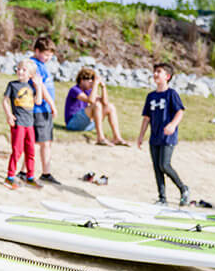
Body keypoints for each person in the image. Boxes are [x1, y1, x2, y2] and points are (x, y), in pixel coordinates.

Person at [137, 62, 189, 206]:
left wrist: (172, 125)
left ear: (167, 76)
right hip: (154, 137)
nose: (155, 74)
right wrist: (141, 136)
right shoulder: (151, 96)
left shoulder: (171, 94)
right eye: (154, 71)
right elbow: (146, 118)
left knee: (164, 165)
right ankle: (162, 198)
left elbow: (180, 111)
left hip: (168, 137)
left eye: (158, 72)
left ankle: (183, 188)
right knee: (156, 168)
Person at [2, 58, 43, 190]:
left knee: (30, 151)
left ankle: (29, 177)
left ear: (30, 74)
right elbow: (5, 101)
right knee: (17, 150)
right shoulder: (12, 85)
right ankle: (10, 177)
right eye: (18, 68)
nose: (20, 71)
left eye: (24, 70)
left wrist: (39, 86)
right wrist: (9, 114)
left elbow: (38, 102)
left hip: (29, 123)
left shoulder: (32, 86)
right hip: (18, 122)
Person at [64, 67, 127, 146]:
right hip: (73, 123)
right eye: (90, 82)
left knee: (110, 107)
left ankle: (117, 138)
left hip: (87, 125)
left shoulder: (89, 91)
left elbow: (105, 102)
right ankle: (100, 138)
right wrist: (95, 85)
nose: (92, 84)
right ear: (81, 80)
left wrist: (103, 87)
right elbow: (91, 100)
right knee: (96, 105)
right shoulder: (74, 90)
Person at [29, 36, 60, 184]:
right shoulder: (33, 65)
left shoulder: (42, 64)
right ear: (37, 51)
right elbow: (40, 86)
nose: (48, 58)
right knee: (37, 142)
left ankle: (46, 173)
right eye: (46, 54)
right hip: (38, 109)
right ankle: (24, 171)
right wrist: (52, 104)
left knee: (46, 142)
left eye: (50, 55)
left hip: (45, 109)